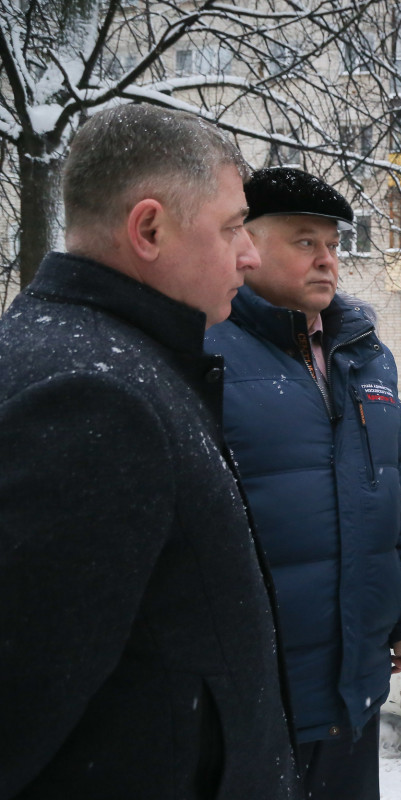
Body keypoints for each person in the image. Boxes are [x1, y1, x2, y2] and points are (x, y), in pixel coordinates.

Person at [0, 105, 298, 799]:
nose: (249, 255)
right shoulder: (92, 397)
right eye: (231, 229)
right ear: (150, 229)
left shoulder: (120, 359)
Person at [205, 167, 401, 800]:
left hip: (355, 684)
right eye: (305, 242)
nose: (327, 260)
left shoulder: (365, 352)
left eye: (333, 245)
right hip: (257, 687)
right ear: (245, 245)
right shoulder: (204, 353)